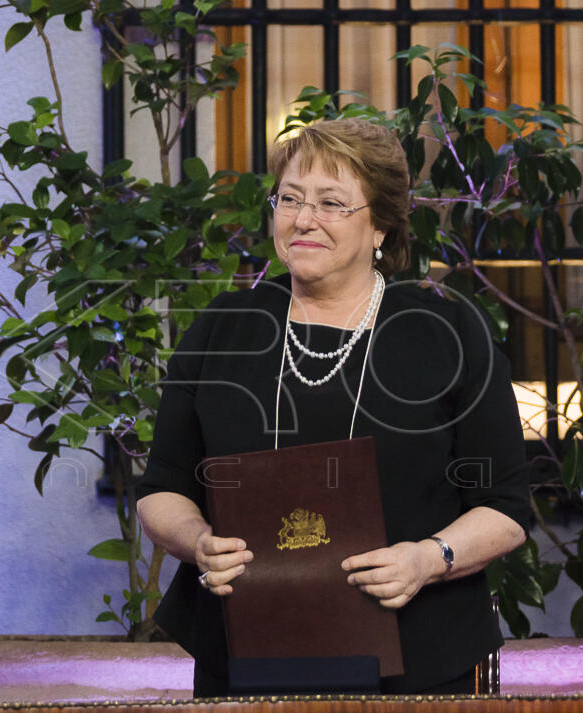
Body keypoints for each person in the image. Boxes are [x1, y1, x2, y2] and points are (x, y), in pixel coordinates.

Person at [136, 118, 529, 695]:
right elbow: (164, 487)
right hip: (244, 655)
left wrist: (427, 558)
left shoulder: (446, 333)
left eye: (331, 203)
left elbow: (505, 505)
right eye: (289, 198)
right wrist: (196, 541)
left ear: (382, 225)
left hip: (416, 661)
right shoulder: (224, 327)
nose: (303, 219)